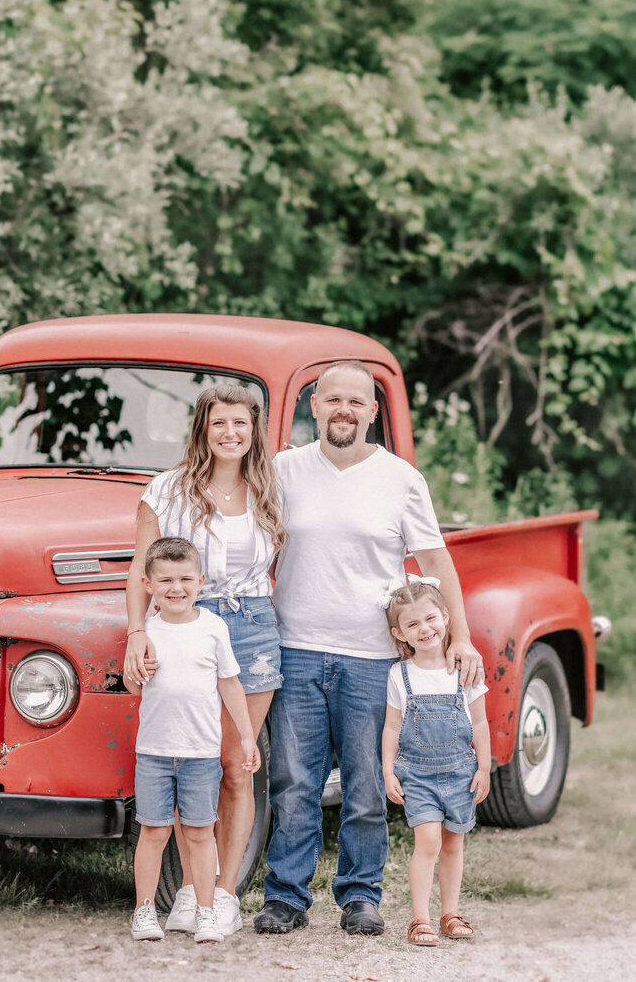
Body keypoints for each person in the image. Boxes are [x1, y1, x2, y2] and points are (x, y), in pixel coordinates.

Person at [255, 360, 484, 938]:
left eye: (356, 402)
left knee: (365, 785)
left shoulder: (401, 478)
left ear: (373, 411)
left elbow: (435, 563)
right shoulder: (284, 469)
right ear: (314, 404)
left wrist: (460, 634)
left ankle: (361, 896)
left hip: (371, 657)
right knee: (293, 783)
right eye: (333, 400)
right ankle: (286, 896)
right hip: (296, 646)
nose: (344, 411)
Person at [122, 385, 286, 936]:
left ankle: (223, 891)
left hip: (254, 625)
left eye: (240, 423)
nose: (230, 433)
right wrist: (137, 632)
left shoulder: (269, 488)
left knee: (237, 762)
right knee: (193, 755)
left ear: (253, 429)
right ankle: (189, 889)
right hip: (183, 624)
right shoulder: (167, 490)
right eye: (219, 423)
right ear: (203, 428)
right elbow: (139, 569)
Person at [126, 537, 261, 945]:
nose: (176, 588)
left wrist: (247, 736)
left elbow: (230, 684)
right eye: (165, 579)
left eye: (185, 578)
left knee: (201, 832)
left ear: (200, 581)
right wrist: (139, 672)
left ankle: (206, 912)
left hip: (201, 752)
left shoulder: (212, 627)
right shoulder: (144, 632)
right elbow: (133, 687)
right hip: (154, 751)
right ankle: (144, 911)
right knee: (153, 831)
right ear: (148, 584)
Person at [380, 579, 491, 946]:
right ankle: (419, 918)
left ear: (446, 617)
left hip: (461, 771)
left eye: (430, 619)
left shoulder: (466, 670)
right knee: (427, 841)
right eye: (413, 625)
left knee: (453, 844)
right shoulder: (401, 674)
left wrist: (484, 768)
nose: (424, 629)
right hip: (418, 774)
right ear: (400, 633)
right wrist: (388, 770)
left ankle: (450, 913)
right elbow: (392, 726)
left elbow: (479, 722)